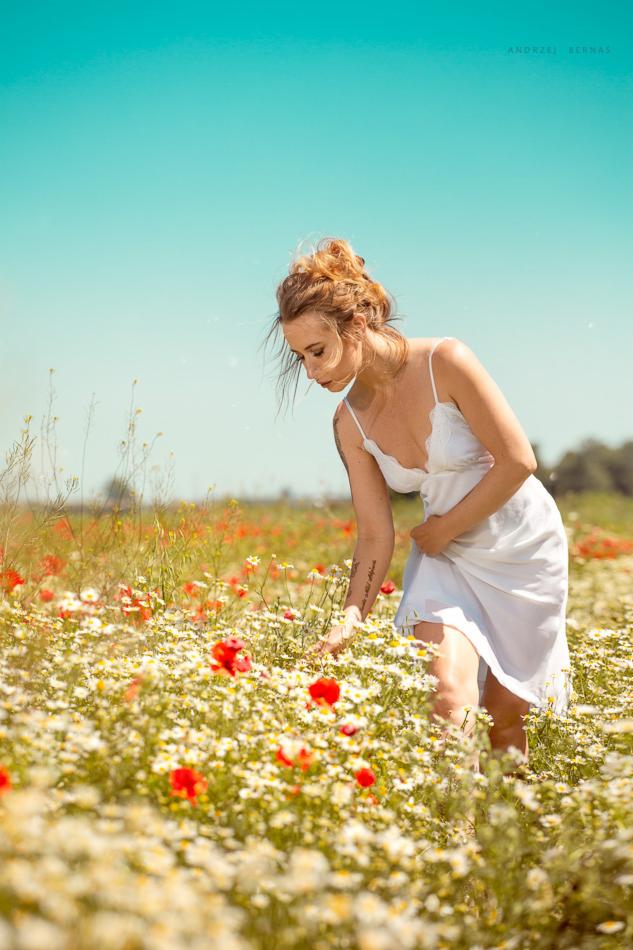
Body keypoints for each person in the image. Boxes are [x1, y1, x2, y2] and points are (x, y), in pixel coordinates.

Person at [267, 236, 572, 764]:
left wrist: (448, 526)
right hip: (445, 559)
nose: (313, 372)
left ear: (357, 325)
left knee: (504, 723)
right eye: (301, 359)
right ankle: (455, 840)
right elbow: (374, 534)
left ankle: (511, 835)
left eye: (318, 351)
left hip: (521, 545)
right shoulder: (349, 423)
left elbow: (518, 460)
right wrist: (350, 619)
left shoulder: (446, 360)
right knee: (447, 696)